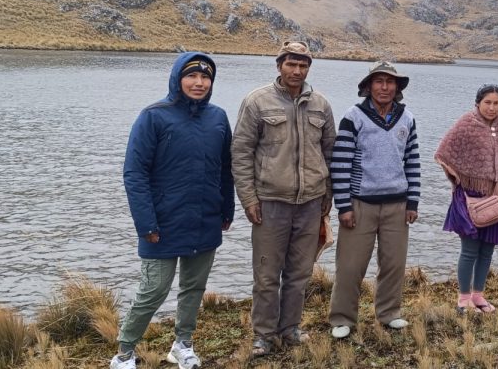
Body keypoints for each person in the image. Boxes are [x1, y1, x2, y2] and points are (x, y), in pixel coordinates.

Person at [111, 53, 235, 369]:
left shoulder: (218, 118)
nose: (199, 83)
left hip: (205, 220)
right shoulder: (153, 116)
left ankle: (183, 345)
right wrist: (146, 224)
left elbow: (225, 168)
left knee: (193, 288)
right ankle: (124, 353)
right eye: (191, 76)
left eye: (205, 77)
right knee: (152, 291)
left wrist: (226, 209)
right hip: (162, 223)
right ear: (177, 79)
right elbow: (134, 173)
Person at [231, 41, 335, 357]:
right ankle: (263, 335)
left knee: (299, 273)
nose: (297, 70)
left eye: (303, 65)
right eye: (291, 64)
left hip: (310, 204)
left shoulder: (321, 105)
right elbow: (241, 152)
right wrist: (248, 198)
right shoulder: (257, 101)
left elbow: (330, 153)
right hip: (270, 203)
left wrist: (327, 196)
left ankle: (290, 328)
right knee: (266, 275)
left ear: (309, 68)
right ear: (279, 65)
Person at [328, 61, 420, 339]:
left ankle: (389, 313)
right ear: (368, 86)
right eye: (379, 81)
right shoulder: (353, 117)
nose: (384, 87)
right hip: (360, 203)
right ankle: (342, 318)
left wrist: (413, 201)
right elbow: (340, 164)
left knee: (394, 264)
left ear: (397, 87)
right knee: (350, 265)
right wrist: (343, 206)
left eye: (390, 82)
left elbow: (412, 161)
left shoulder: (407, 118)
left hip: (397, 204)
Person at [436, 84, 498, 314]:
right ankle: (463, 299)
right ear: (478, 103)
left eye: (496, 103)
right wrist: (459, 179)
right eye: (487, 102)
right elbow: (444, 153)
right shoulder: (466, 124)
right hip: (471, 198)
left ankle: (478, 295)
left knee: (487, 251)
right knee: (469, 250)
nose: (492, 107)